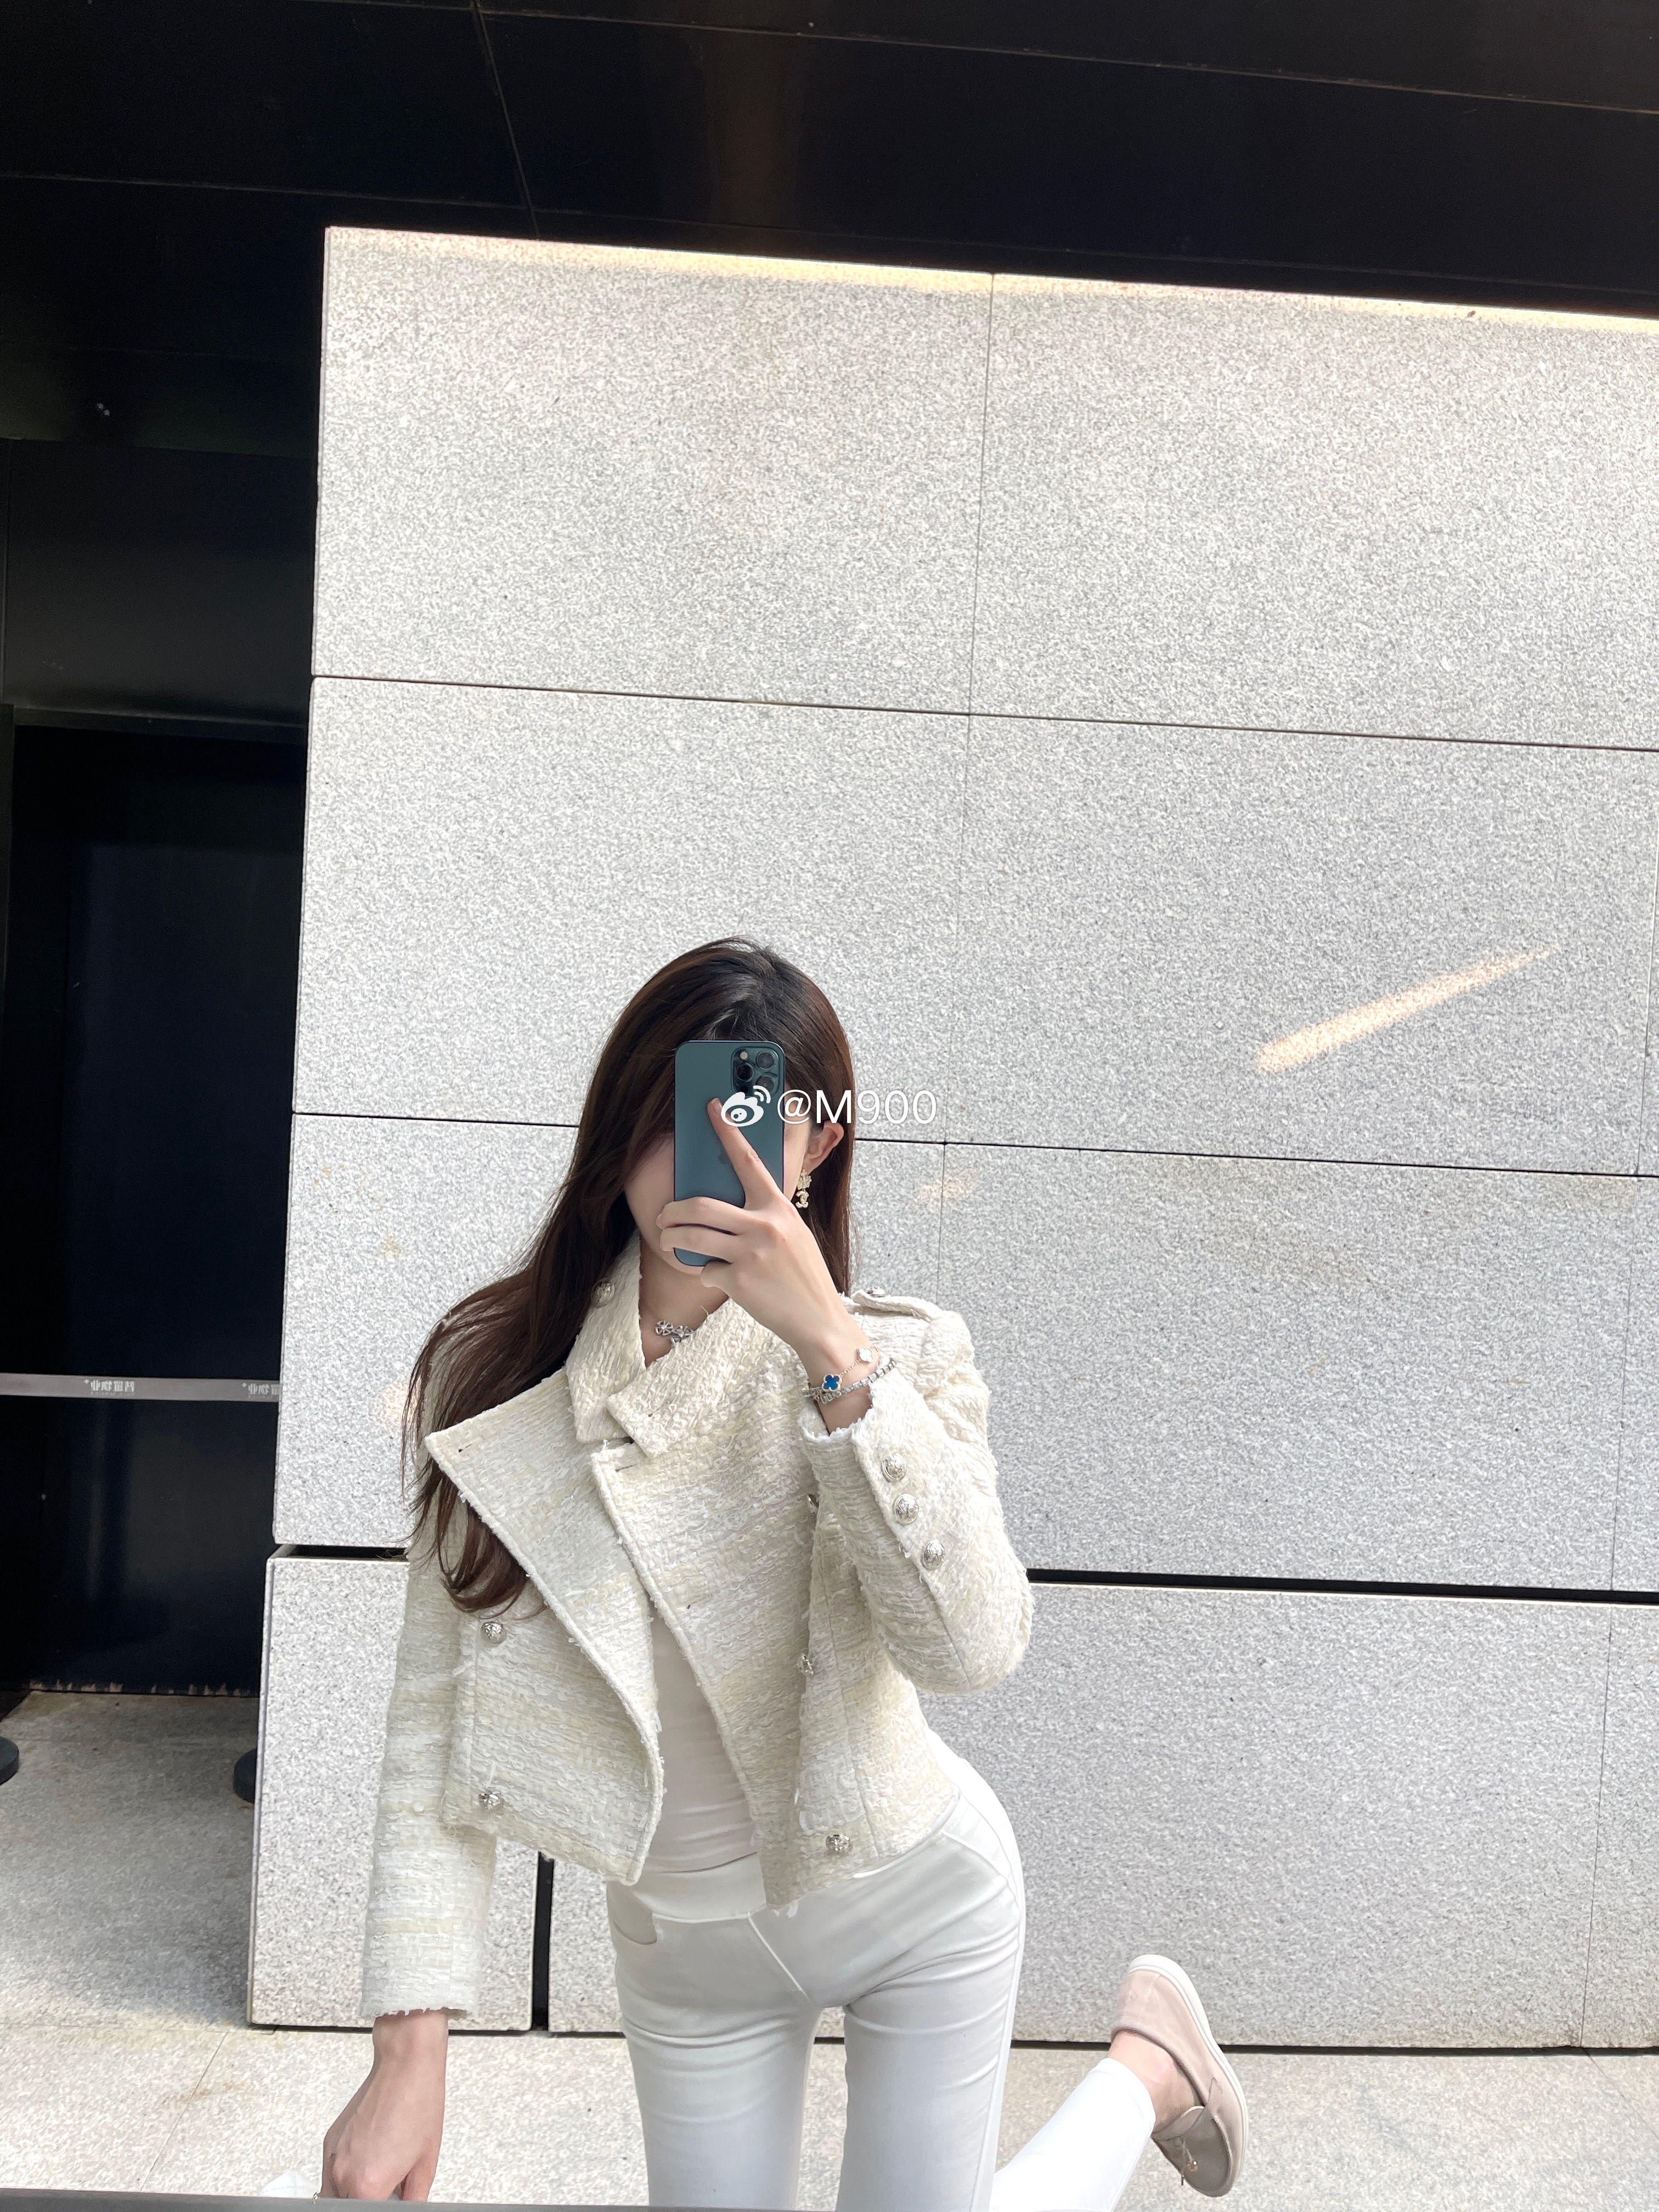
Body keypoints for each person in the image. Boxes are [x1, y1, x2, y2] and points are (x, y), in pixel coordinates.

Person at [319, 940, 1247, 2210]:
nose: (701, 1158)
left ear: (817, 1145)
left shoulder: (903, 1361)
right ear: (615, 1132)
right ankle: (1153, 2067)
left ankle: (1140, 2075)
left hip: (916, 1903)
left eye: (748, 1119)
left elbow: (974, 1649)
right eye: (671, 1116)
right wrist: (407, 2053)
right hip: (686, 1959)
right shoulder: (502, 1379)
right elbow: (435, 1725)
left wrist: (835, 1359)